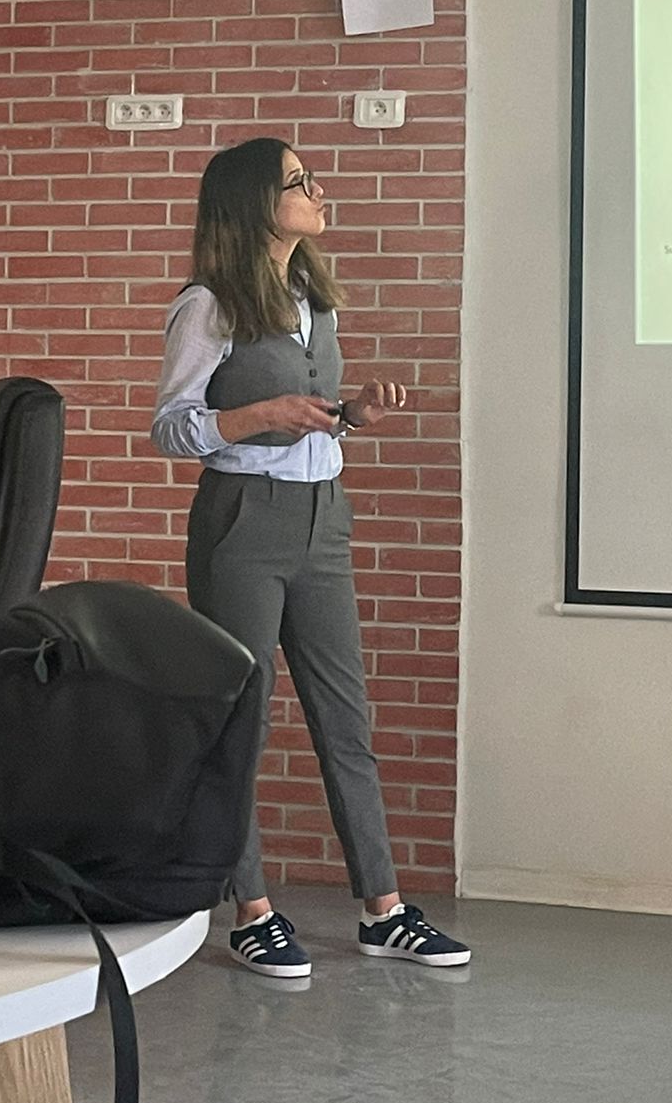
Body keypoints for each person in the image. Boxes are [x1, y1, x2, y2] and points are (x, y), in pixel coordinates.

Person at [151, 137, 470, 978]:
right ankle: (252, 912)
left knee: (345, 719)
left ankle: (383, 910)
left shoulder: (311, 298)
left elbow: (310, 416)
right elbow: (171, 428)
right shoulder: (208, 305)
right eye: (300, 182)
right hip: (242, 522)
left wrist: (349, 415)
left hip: (323, 517)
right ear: (256, 202)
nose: (318, 191)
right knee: (241, 719)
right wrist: (261, 414)